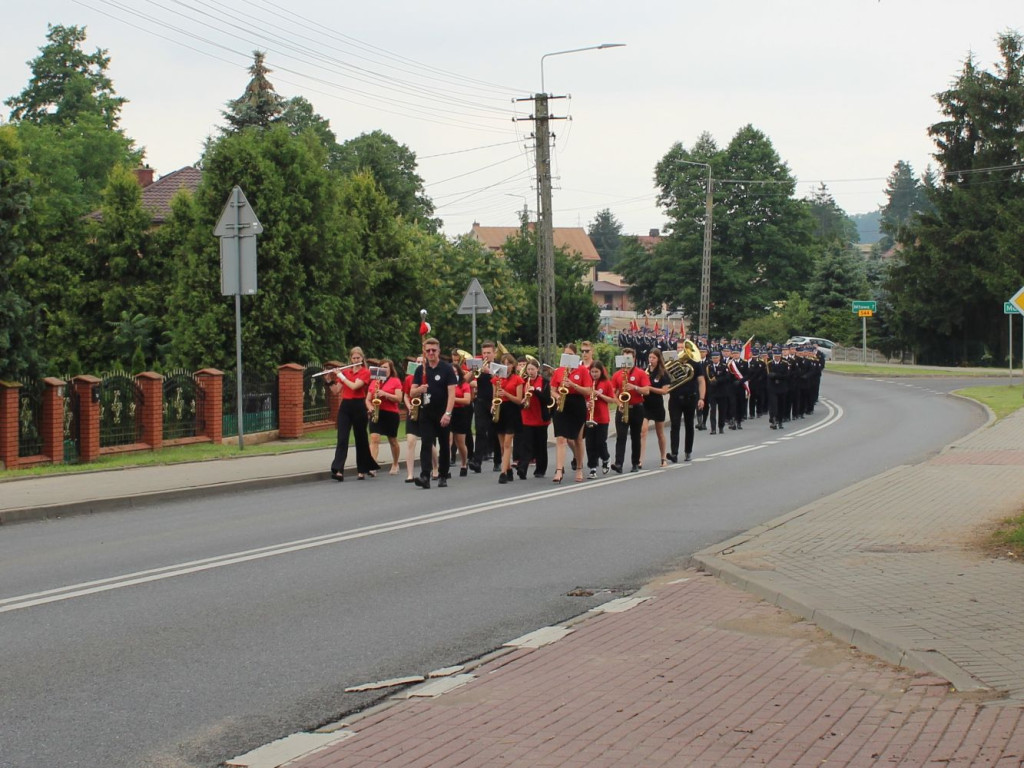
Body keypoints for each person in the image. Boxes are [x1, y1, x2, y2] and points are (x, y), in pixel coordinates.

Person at [409, 337, 458, 489]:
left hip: (442, 412)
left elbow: (452, 393)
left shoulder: (446, 369)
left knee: (444, 444)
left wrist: (448, 413)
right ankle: (425, 475)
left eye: (434, 350)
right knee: (426, 443)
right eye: (428, 350)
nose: (431, 353)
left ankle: (443, 475)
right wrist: (419, 389)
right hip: (426, 412)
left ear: (439, 351)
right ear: (424, 352)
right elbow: (411, 392)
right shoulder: (421, 369)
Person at [329, 347, 380, 481]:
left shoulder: (365, 372)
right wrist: (329, 380)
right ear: (350, 359)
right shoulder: (346, 372)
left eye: (358, 358)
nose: (356, 360)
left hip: (359, 406)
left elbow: (354, 386)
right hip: (345, 406)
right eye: (354, 358)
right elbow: (336, 390)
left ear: (362, 358)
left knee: (361, 439)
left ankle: (362, 470)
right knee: (342, 438)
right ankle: (338, 470)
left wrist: (340, 375)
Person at [549, 343, 593, 483]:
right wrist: (557, 396)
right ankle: (559, 470)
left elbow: (588, 390)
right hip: (562, 403)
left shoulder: (582, 370)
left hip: (577, 404)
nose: (568, 357)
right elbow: (552, 389)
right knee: (561, 438)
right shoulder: (559, 370)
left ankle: (579, 468)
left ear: (575, 356)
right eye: (565, 355)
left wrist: (573, 385)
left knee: (578, 439)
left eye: (570, 355)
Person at [610, 349, 650, 473]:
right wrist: (618, 403)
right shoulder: (617, 374)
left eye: (629, 358)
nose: (626, 361)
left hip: (637, 408)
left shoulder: (640, 373)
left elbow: (647, 391)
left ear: (634, 359)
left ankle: (635, 463)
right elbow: (612, 393)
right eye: (624, 358)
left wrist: (635, 387)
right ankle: (618, 464)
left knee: (635, 436)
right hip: (622, 408)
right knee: (620, 437)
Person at [666, 341, 706, 463]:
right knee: (675, 425)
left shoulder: (695, 363)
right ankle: (674, 453)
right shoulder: (672, 362)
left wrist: (701, 398)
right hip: (675, 398)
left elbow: (701, 381)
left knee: (689, 425)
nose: (680, 350)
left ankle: (688, 451)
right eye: (678, 347)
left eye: (682, 348)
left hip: (690, 398)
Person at [366, 358, 402, 475]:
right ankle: (372, 466)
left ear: (391, 369)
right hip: (376, 412)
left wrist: (385, 394)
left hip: (391, 414)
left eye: (385, 367)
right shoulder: (374, 382)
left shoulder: (395, 381)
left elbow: (399, 398)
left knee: (392, 440)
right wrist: (370, 407)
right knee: (374, 438)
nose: (383, 369)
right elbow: (367, 399)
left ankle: (395, 463)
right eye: (381, 367)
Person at [403, 355, 436, 482]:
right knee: (411, 441)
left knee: (428, 443)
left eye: (421, 362)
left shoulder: (430, 377)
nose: (418, 364)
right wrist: (409, 406)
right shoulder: (409, 378)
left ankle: (436, 468)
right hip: (413, 411)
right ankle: (410, 474)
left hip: (426, 411)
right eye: (417, 362)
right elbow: (406, 395)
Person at [493, 353, 525, 484]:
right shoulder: (496, 379)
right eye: (504, 364)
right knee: (502, 446)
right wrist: (493, 405)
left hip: (512, 411)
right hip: (500, 410)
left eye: (509, 363)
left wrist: (506, 393)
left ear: (513, 365)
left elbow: (519, 400)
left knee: (507, 444)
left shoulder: (517, 379)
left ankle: (503, 473)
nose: (506, 366)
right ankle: (509, 469)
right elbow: (494, 397)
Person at [518, 358, 551, 479]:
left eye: (532, 369)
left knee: (540, 445)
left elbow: (547, 400)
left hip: (541, 418)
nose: (530, 372)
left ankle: (540, 469)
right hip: (527, 417)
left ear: (537, 369)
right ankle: (522, 468)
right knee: (526, 444)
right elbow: (519, 398)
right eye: (528, 369)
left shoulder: (544, 382)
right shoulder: (523, 381)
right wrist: (522, 400)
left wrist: (535, 392)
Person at [468, 341, 498, 473]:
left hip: (495, 401)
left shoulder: (499, 366)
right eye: (484, 353)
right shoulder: (479, 365)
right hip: (480, 401)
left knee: (495, 431)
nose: (486, 355)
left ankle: (498, 461)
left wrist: (490, 371)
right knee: (480, 430)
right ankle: (477, 461)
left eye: (489, 353)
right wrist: (472, 371)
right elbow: (467, 380)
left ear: (494, 353)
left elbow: (502, 381)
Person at [641, 348, 671, 467]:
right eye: (650, 357)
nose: (651, 360)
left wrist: (650, 388)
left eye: (653, 358)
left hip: (657, 405)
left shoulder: (663, 373)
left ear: (658, 359)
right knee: (643, 431)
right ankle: (640, 460)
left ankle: (663, 458)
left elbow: (664, 391)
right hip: (645, 404)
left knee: (660, 434)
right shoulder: (645, 372)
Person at [585, 360, 614, 478]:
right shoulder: (587, 383)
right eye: (592, 372)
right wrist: (587, 404)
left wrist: (600, 394)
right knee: (589, 444)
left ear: (601, 372)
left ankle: (606, 458)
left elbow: (612, 399)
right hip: (590, 417)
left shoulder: (606, 383)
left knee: (600, 442)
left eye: (596, 372)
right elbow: (583, 397)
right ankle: (592, 468)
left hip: (602, 418)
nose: (594, 374)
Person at [450, 365, 473, 477]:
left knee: (460, 443)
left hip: (460, 413)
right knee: (448, 441)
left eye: (455, 372)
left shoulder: (464, 385)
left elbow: (467, 400)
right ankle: (445, 467)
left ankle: (464, 463)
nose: (454, 374)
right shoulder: (446, 384)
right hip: (448, 412)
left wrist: (452, 398)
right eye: (451, 372)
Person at [704, 348, 730, 436]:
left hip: (722, 391)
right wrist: (710, 382)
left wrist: (718, 380)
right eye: (713, 358)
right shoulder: (709, 367)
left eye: (716, 358)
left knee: (722, 410)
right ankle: (713, 429)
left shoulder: (724, 366)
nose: (715, 359)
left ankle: (721, 427)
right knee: (713, 410)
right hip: (712, 392)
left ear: (719, 358)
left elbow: (727, 377)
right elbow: (706, 377)